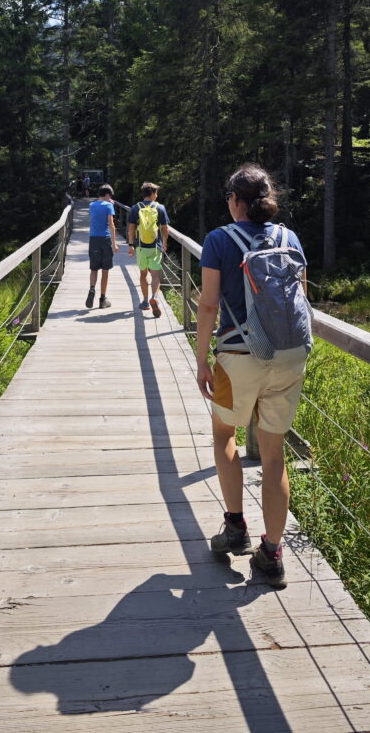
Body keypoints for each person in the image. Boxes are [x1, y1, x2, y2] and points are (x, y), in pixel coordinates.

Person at [196, 163, 309, 589]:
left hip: (238, 355)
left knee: (225, 433)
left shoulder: (219, 240)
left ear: (235, 201)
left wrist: (202, 359)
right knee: (274, 453)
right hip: (289, 355)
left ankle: (235, 528)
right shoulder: (289, 238)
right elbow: (301, 294)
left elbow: (209, 305)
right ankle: (272, 554)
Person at [127, 182, 170, 318]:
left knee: (143, 274)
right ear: (152, 193)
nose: (157, 195)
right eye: (156, 193)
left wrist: (131, 245)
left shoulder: (135, 208)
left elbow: (131, 228)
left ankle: (145, 302)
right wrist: (164, 243)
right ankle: (155, 297)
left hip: (140, 247)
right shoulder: (160, 208)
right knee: (156, 275)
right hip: (155, 247)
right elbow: (165, 228)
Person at [86, 183, 118, 309]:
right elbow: (111, 224)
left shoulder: (91, 205)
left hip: (93, 239)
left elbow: (96, 215)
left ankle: (92, 289)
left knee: (94, 269)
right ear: (107, 194)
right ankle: (102, 298)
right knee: (105, 270)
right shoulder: (109, 206)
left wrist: (109, 203)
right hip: (105, 239)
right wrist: (114, 243)